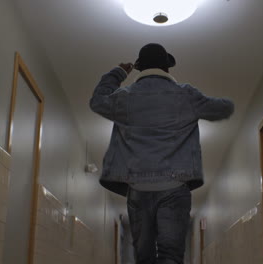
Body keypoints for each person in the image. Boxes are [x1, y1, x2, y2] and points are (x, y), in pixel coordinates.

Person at [90, 43, 234, 264]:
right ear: (167, 69)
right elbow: (221, 109)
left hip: (137, 188)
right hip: (175, 187)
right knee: (171, 256)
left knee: (144, 257)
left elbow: (97, 101)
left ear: (139, 67)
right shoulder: (186, 94)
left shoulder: (123, 97)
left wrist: (118, 72)